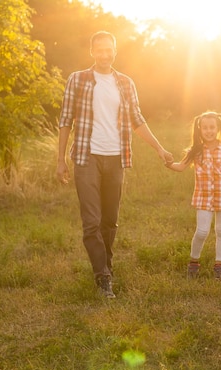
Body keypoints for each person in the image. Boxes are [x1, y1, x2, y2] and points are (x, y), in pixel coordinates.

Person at [57, 31, 173, 298]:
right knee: (92, 222)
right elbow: (65, 120)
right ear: (92, 51)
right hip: (87, 157)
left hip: (116, 158)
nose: (104, 54)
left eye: (109, 49)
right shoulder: (78, 79)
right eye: (99, 49)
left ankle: (105, 266)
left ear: (115, 51)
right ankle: (102, 277)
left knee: (110, 221)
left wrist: (159, 149)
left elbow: (137, 120)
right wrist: (60, 159)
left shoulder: (125, 83)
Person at [166, 111, 221, 280]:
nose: (208, 131)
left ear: (218, 128)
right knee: (202, 231)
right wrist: (167, 161)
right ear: (199, 129)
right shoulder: (196, 150)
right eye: (205, 128)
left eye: (212, 127)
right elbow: (180, 166)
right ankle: (193, 262)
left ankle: (219, 265)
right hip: (203, 197)